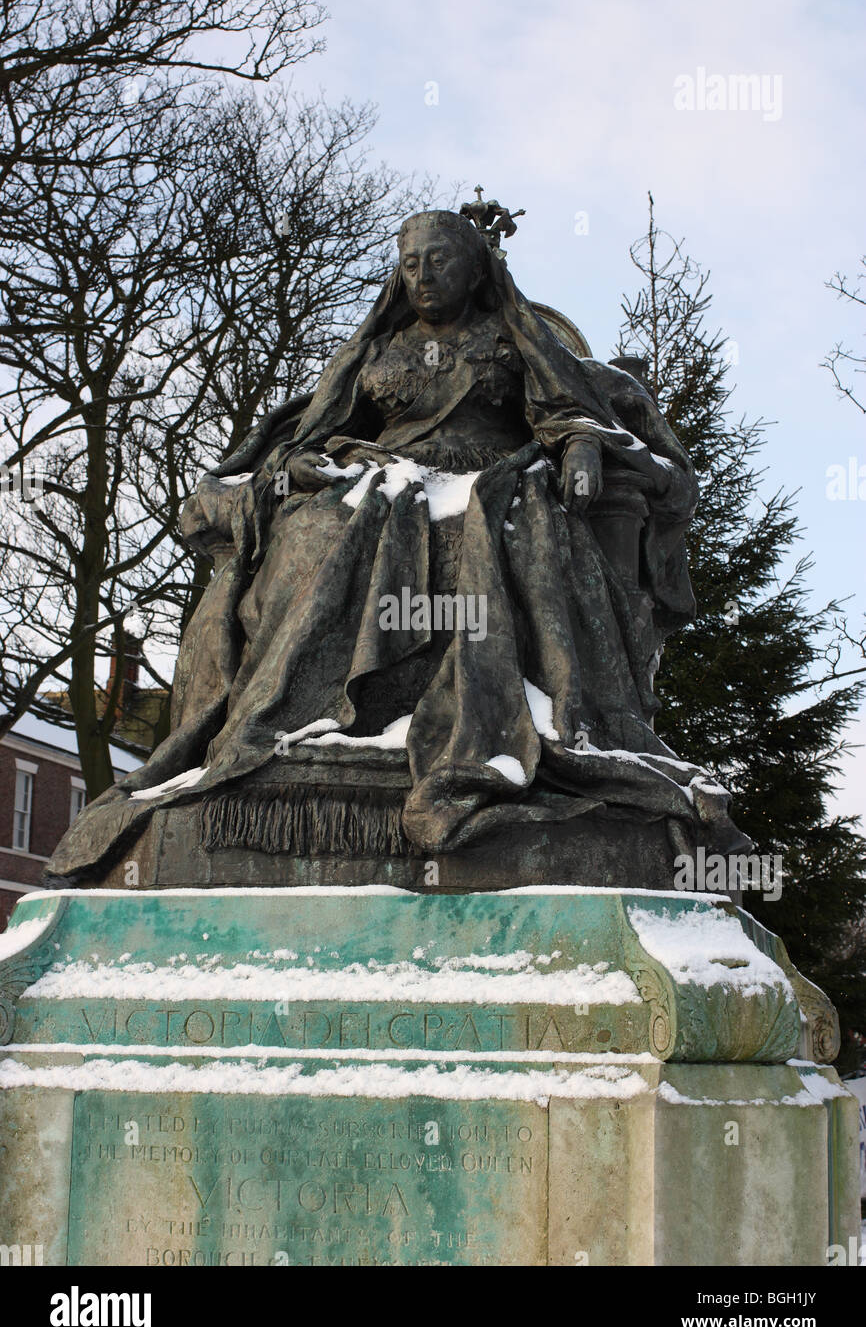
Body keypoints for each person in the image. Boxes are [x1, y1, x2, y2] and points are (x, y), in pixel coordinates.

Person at [46, 209, 741, 883]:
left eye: (439, 260)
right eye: (411, 264)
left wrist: (582, 443)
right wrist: (295, 469)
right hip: (383, 476)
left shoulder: (511, 339)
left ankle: (504, 721)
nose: (423, 276)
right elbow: (313, 433)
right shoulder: (378, 349)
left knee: (506, 529)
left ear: (475, 268)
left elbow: (563, 407)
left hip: (492, 476)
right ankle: (292, 710)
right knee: (311, 527)